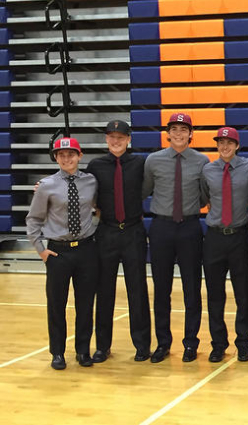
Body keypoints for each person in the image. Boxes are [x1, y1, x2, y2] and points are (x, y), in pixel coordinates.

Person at [142, 112, 209, 363]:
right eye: (174, 129)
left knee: (192, 287)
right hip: (161, 227)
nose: (179, 134)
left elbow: (204, 196)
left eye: (184, 129)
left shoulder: (202, 161)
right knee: (162, 288)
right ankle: (162, 343)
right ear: (167, 133)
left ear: (191, 134)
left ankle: (191, 343)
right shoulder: (153, 161)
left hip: (190, 227)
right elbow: (144, 190)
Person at [26, 137, 99, 370]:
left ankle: (83, 350)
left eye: (71, 154)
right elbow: (33, 219)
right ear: (56, 158)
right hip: (58, 252)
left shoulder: (91, 182)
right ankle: (57, 352)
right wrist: (41, 249)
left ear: (79, 155)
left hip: (86, 249)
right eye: (61, 155)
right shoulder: (46, 185)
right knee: (57, 304)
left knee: (85, 304)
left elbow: (98, 207)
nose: (66, 158)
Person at [86, 120, 151, 363]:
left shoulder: (140, 163)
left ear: (128, 139)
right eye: (111, 137)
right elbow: (85, 193)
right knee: (104, 291)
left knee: (137, 290)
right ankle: (103, 346)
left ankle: (142, 345)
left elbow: (147, 189)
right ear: (106, 139)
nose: (116, 141)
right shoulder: (95, 165)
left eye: (120, 137)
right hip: (107, 232)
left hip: (133, 231)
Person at [201, 127, 248, 363]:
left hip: (239, 236)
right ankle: (218, 343)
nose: (224, 147)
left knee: (243, 293)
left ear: (237, 145)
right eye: (220, 142)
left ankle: (243, 343)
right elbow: (205, 198)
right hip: (214, 237)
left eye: (229, 143)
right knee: (215, 294)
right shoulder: (208, 170)